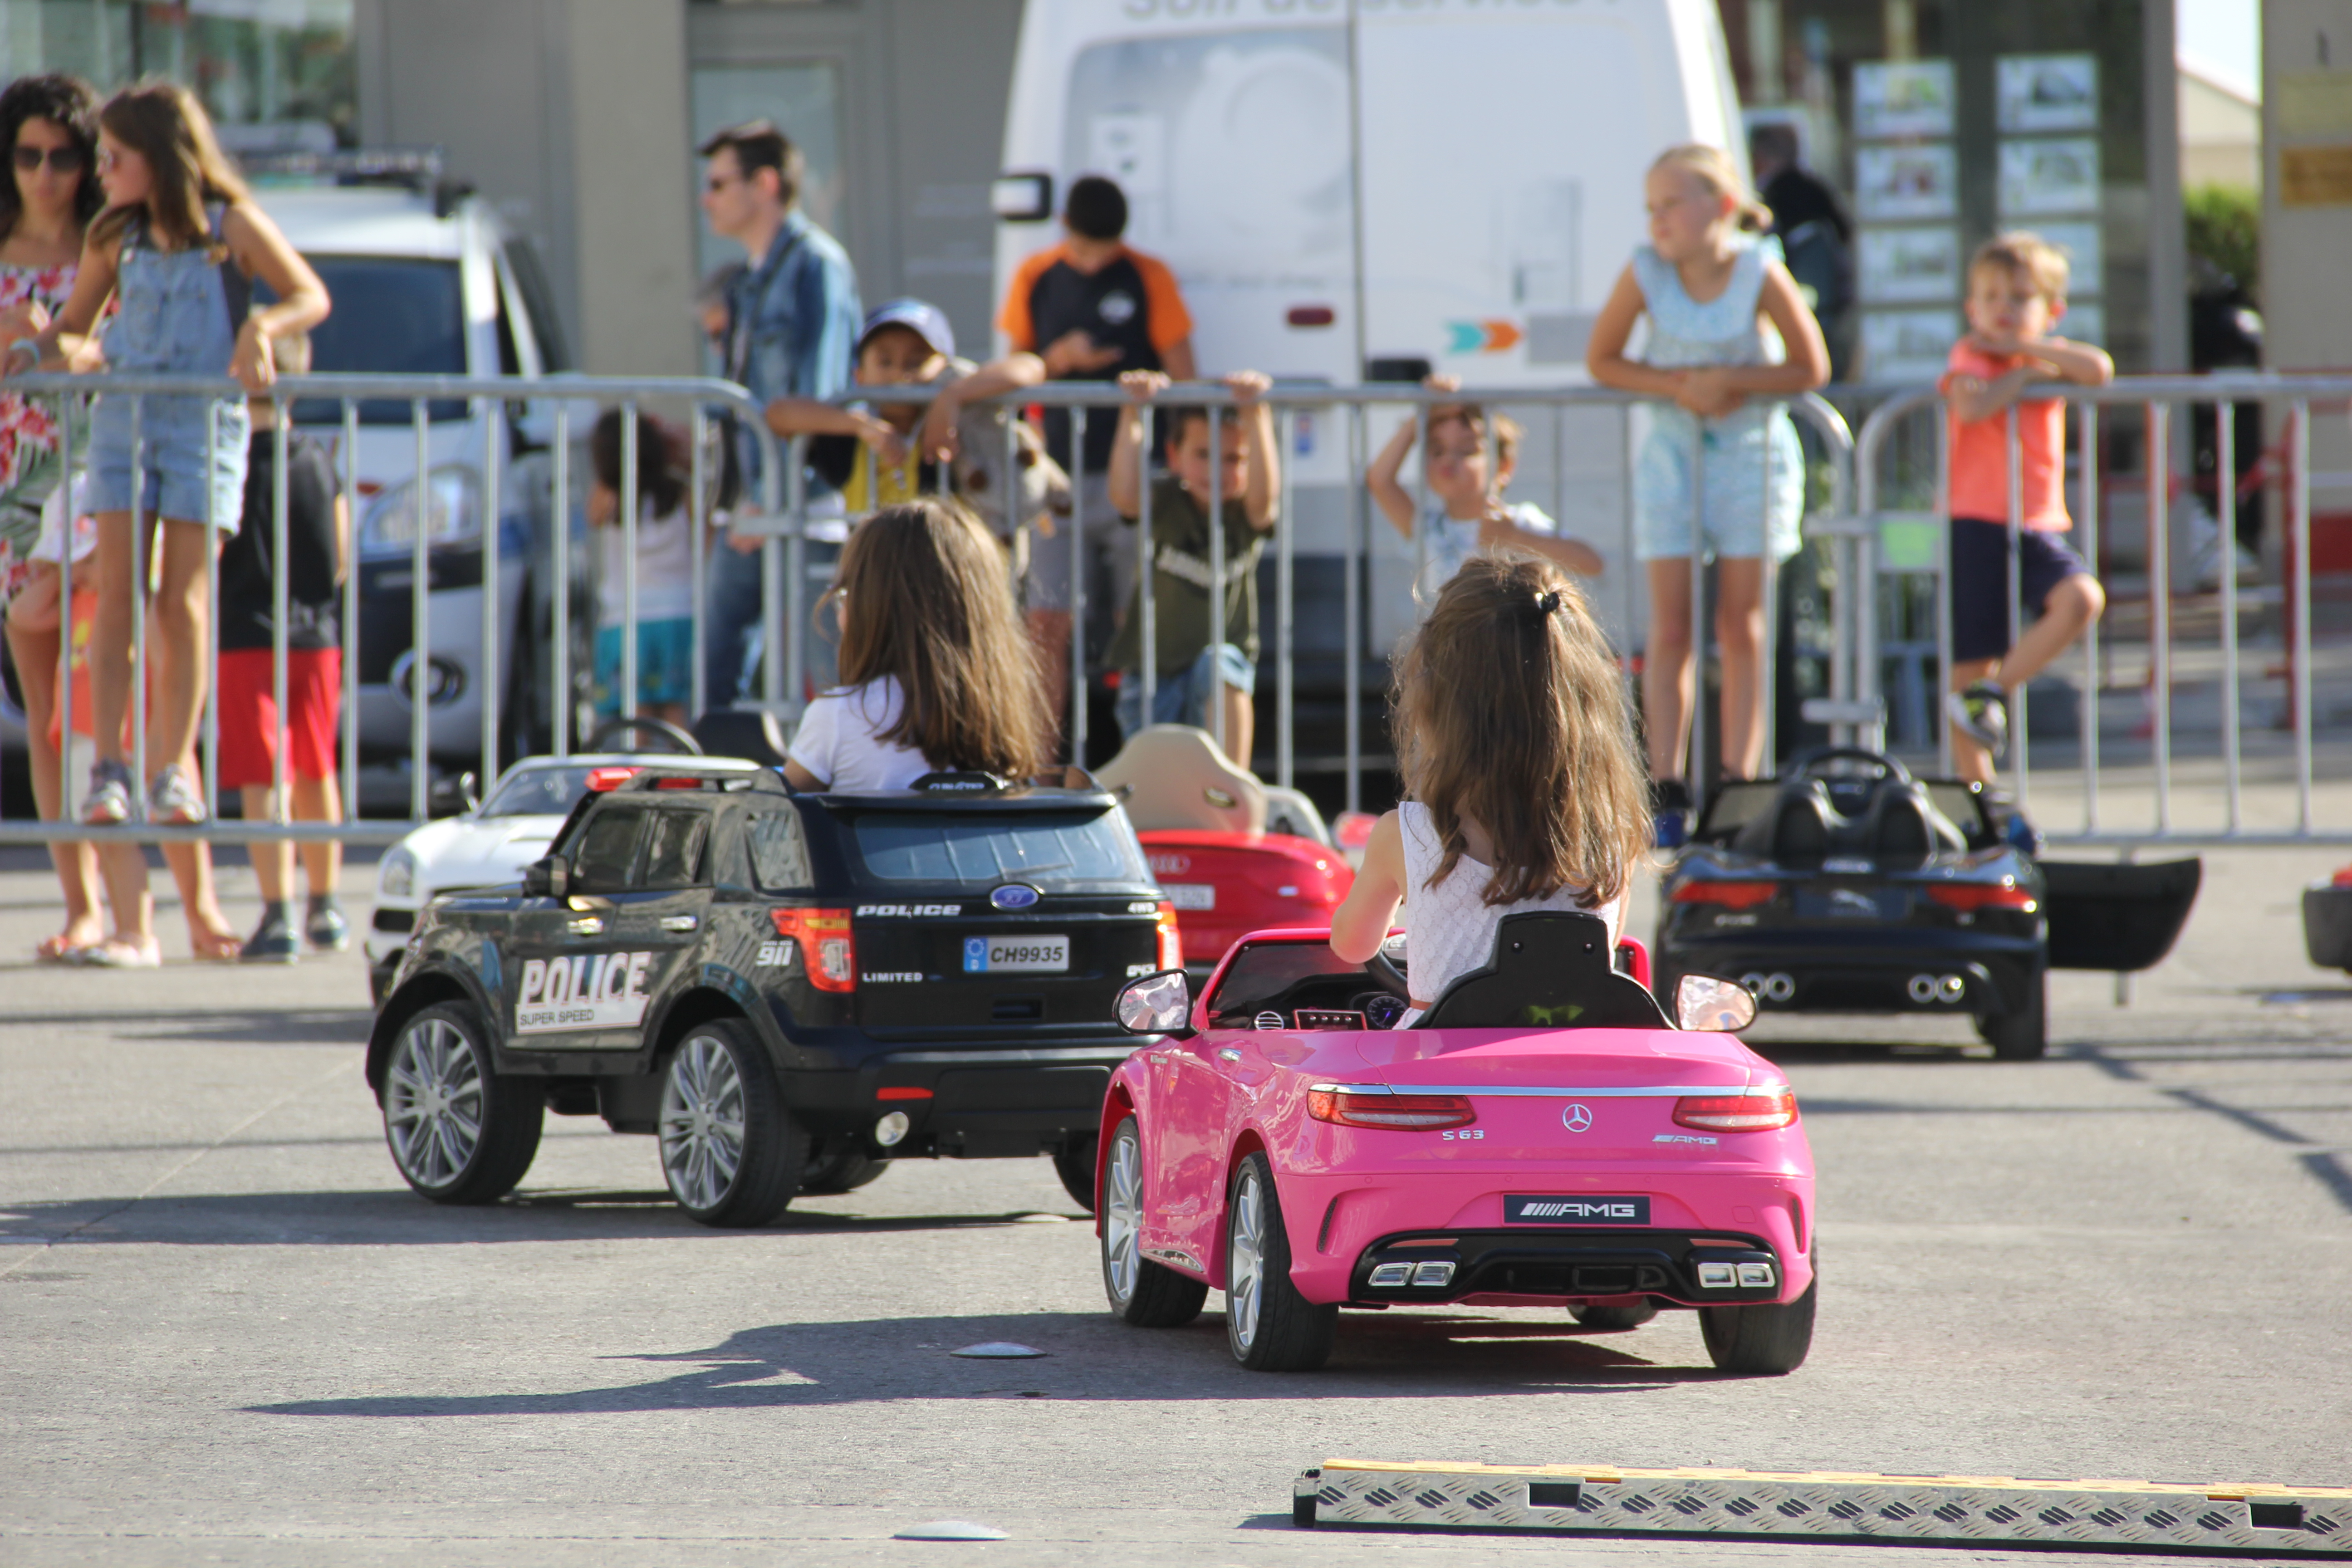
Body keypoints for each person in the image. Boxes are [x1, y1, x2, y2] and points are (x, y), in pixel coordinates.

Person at [5, 80, 327, 832]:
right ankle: (111, 771)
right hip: (124, 427)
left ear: (157, 154)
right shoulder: (113, 234)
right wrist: (50, 350)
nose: (102, 169)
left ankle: (173, 767)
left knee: (181, 602)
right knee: (116, 595)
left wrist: (262, 329)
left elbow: (309, 294)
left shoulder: (231, 226)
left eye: (114, 155)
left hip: (201, 429)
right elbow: (77, 325)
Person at [1586, 143, 1828, 845]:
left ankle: (1740, 783)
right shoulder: (1646, 271)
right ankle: (1669, 785)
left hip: (1749, 460)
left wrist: (1733, 384)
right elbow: (1603, 359)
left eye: (1672, 204)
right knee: (1671, 628)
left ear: (1720, 206)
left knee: (1742, 624)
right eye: (1651, 207)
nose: (1658, 219)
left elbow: (1809, 364)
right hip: (1672, 460)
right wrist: (1677, 387)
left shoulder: (1759, 269)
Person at [1328, 556, 1651, 1025]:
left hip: (1437, 1072)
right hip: (1572, 1068)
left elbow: (1351, 944)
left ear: (1442, 700)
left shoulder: (1408, 833)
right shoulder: (1610, 835)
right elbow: (1603, 951)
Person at [996, 175, 1196, 724]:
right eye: (1084, 250)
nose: (1093, 262)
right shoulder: (1034, 275)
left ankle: (1146, 748)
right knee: (1046, 621)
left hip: (1135, 477)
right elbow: (1013, 377)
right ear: (1065, 228)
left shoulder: (1147, 274)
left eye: (1104, 252)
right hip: (1052, 481)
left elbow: (1185, 375)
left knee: (1139, 620)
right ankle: (1037, 766)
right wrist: (1058, 360)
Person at [697, 119, 860, 708]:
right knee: (716, 667)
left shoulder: (817, 264)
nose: (706, 198)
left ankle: (828, 796)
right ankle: (721, 792)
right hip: (754, 503)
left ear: (764, 184)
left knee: (825, 675)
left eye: (718, 184)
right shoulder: (746, 280)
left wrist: (768, 496)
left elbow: (817, 398)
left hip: (802, 501)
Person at [1940, 231, 2112, 784]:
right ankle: (1981, 795)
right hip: (1977, 519)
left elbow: (2098, 369)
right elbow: (1973, 406)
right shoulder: (1971, 354)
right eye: (1990, 298)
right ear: (1971, 308)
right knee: (1971, 660)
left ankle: (1996, 691)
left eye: (2018, 298)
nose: (2002, 310)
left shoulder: (2042, 355)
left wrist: (2029, 351)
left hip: (2037, 520)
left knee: (2081, 598)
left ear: (2051, 310)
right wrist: (2021, 374)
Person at [0, 73, 106, 961]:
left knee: (110, 705)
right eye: (27, 155)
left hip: (99, 491)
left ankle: (154, 906)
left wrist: (81, 343)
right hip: (15, 496)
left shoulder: (111, 246)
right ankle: (81, 905)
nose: (43, 173)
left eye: (61, 156)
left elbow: (143, 345)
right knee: (48, 716)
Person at [215, 327, 350, 962]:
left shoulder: (228, 460)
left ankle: (279, 915)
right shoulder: (321, 459)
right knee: (317, 765)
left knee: (260, 773)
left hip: (247, 634)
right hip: (316, 634)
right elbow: (341, 556)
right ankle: (327, 904)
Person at [781, 499, 1047, 792]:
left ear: (872, 608)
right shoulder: (1002, 723)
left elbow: (774, 820)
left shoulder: (838, 717)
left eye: (847, 594)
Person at [1104, 368, 1277, 768]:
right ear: (1173, 456)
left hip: (1213, 679)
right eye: (1203, 455)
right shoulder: (1165, 501)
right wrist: (1133, 413)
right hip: (1152, 673)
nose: (1217, 471)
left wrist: (1257, 414)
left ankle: (1233, 787)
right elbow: (1124, 496)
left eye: (1234, 458)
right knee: (1159, 786)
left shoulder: (1244, 515)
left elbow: (1265, 500)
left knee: (1222, 662)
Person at [767, 298, 1047, 525]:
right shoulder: (851, 438)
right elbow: (779, 414)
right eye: (885, 361)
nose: (900, 373)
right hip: (875, 580)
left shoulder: (961, 421)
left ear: (946, 367)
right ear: (860, 374)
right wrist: (858, 425)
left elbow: (1031, 366)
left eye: (916, 362)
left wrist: (953, 396)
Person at [1367, 373, 1603, 599]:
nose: (1449, 460)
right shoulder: (1428, 528)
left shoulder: (1514, 520)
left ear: (1503, 466)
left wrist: (1515, 537)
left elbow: (1592, 563)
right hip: (1447, 641)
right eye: (1437, 451)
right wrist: (1422, 414)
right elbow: (1380, 480)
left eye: (1467, 451)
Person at [1748, 122, 1856, 382]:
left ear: (1759, 158)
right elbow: (1845, 230)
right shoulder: (1815, 187)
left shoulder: (1773, 196)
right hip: (1826, 304)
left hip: (1799, 301)